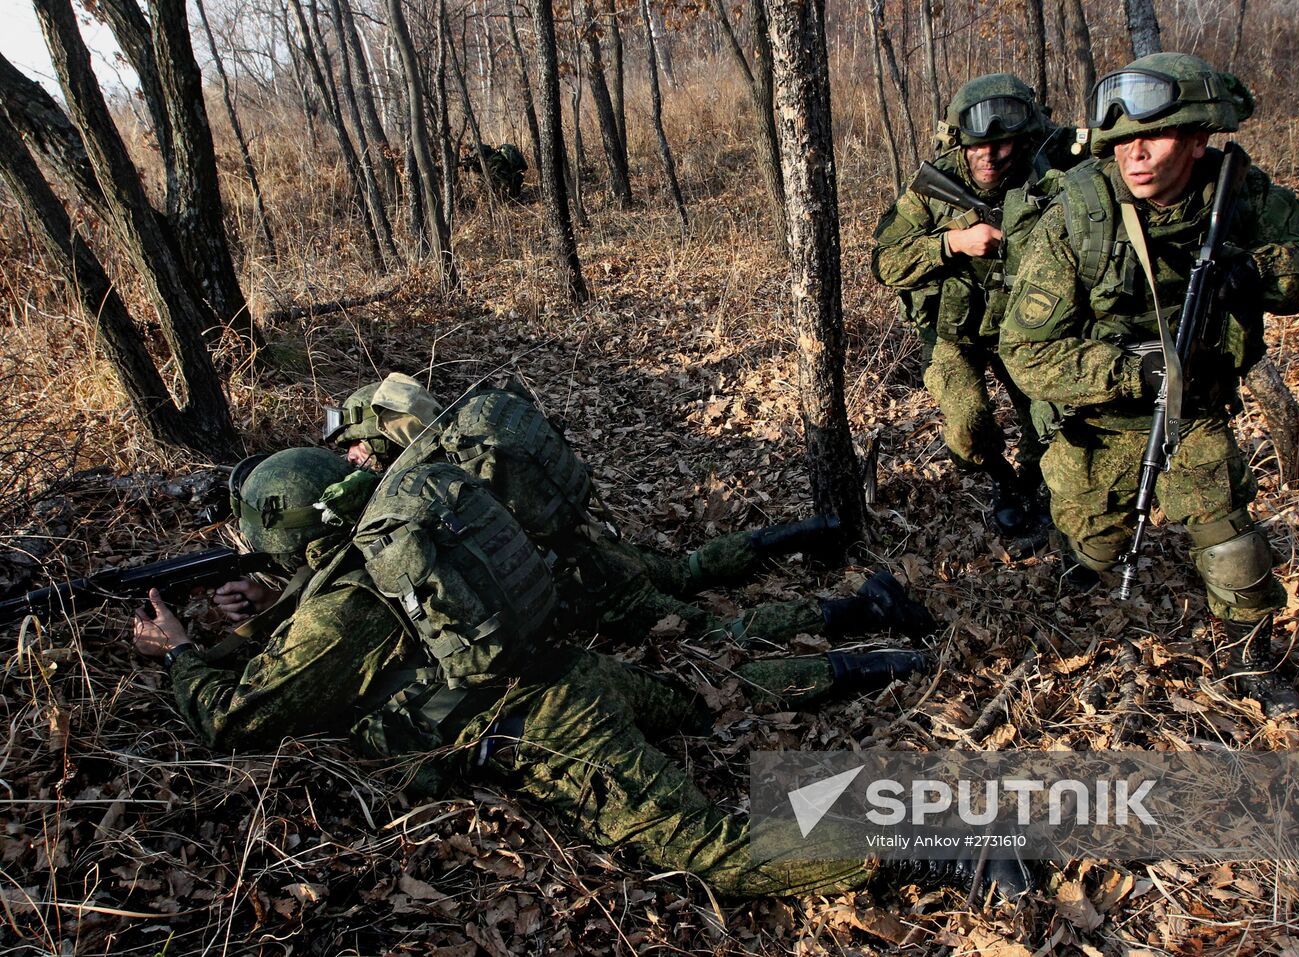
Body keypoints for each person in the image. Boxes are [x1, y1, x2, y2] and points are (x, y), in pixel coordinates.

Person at [134, 448, 1033, 900]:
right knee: (706, 711)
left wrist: (180, 651)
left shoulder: (337, 613)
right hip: (579, 673)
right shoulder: (400, 530)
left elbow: (232, 721)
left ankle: (945, 837)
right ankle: (867, 661)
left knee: (717, 846)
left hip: (550, 731)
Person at [1000, 53, 1299, 717]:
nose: (1135, 152)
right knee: (1093, 546)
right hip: (1099, 423)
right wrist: (1136, 372)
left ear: (1195, 139)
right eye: (1122, 140)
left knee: (1231, 534)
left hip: (1195, 414)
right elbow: (1025, 352)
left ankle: (1252, 656)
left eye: (1152, 137)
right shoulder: (1079, 217)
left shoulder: (1236, 194)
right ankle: (1080, 550)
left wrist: (1255, 273)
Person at [320, 374, 935, 648]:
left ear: (380, 441)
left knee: (714, 636)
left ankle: (864, 607)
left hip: (586, 578)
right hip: (593, 543)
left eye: (354, 449)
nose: (349, 461)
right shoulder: (458, 440)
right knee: (689, 569)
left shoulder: (421, 486)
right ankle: (812, 531)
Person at [872, 74, 1075, 539]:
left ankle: (1033, 484)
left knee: (1047, 415)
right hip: (955, 331)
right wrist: (953, 243)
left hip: (1027, 326)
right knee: (968, 425)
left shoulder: (1047, 172)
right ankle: (1000, 478)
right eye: (977, 146)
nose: (990, 156)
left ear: (1021, 140)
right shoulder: (934, 186)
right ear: (959, 143)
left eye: (1002, 144)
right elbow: (885, 262)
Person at [463, 142, 527, 199]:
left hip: (499, 172)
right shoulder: (494, 156)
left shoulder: (480, 154)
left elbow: (500, 181)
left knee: (486, 184)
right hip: (508, 176)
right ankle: (513, 197)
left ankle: (509, 199)